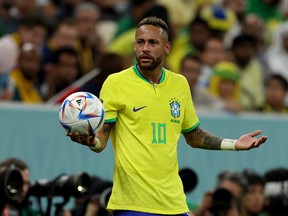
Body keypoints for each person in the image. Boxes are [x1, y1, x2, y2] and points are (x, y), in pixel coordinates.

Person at [67, 17, 268, 215]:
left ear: (167, 47)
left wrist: (234, 144)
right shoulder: (115, 83)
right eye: (140, 42)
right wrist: (90, 140)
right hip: (133, 204)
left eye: (153, 42)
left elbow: (194, 136)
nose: (145, 48)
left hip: (174, 203)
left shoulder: (179, 84)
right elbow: (101, 140)